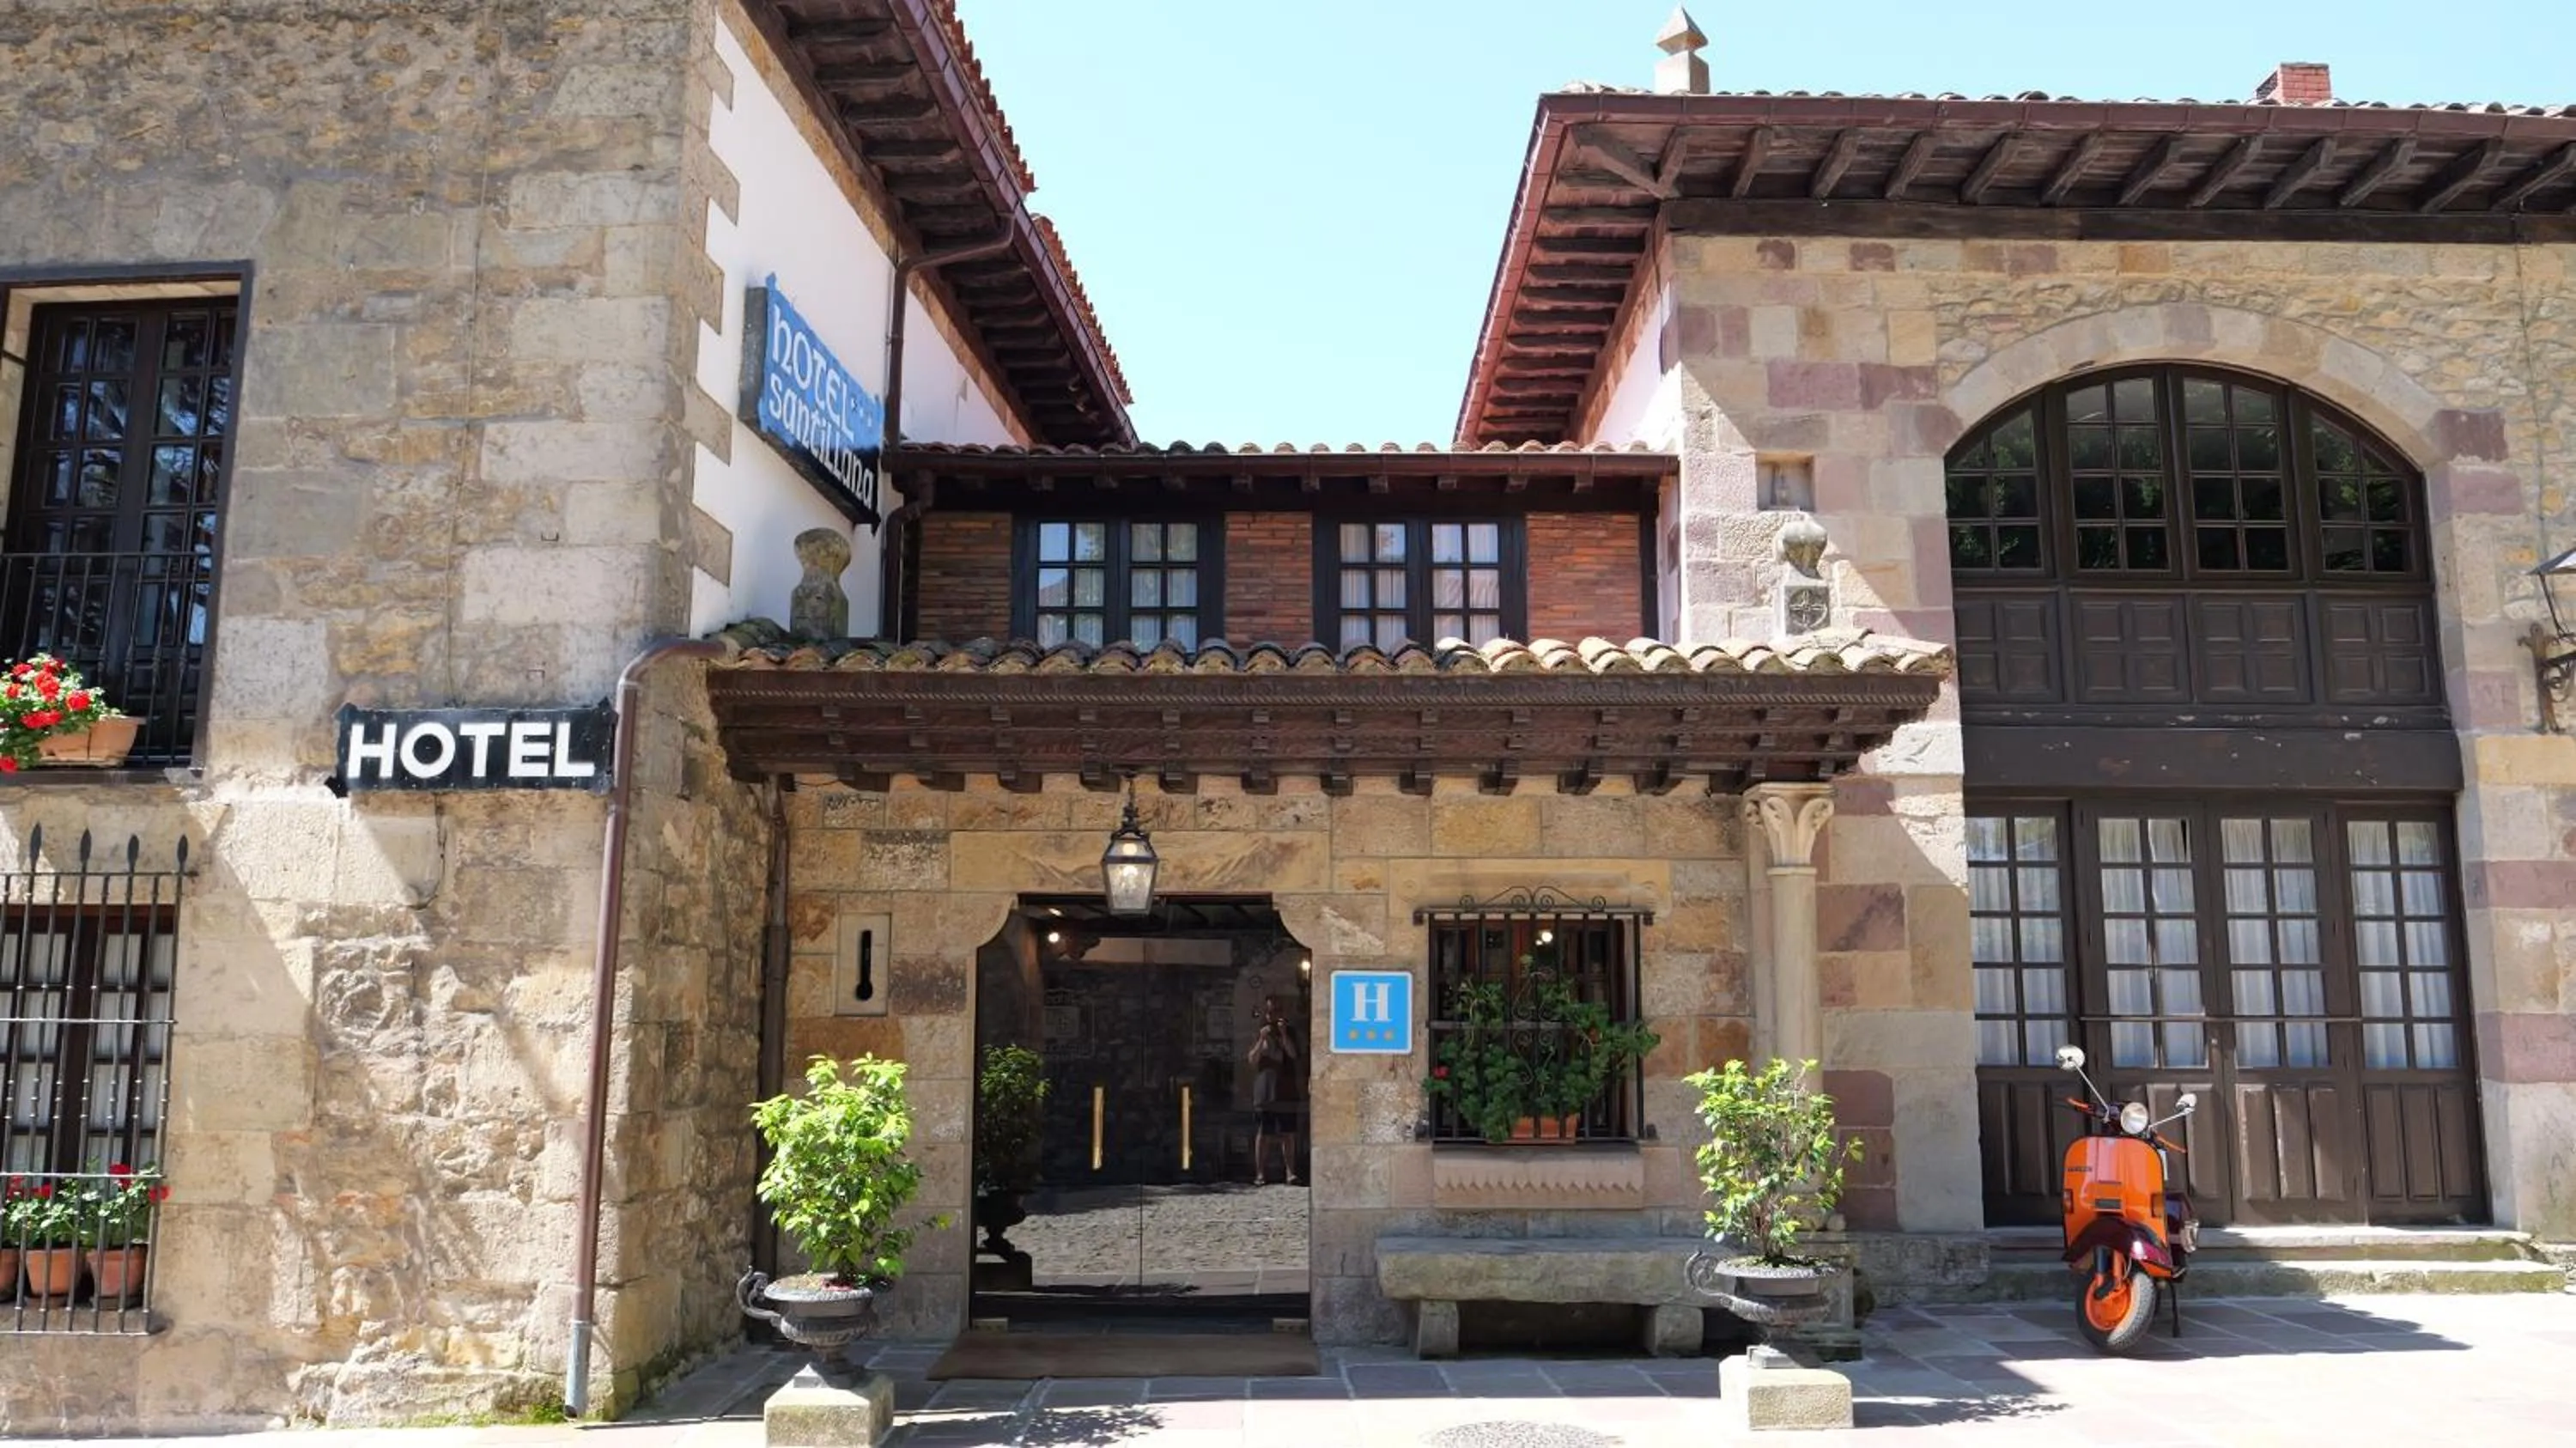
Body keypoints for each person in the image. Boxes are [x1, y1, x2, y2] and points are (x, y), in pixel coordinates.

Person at [1248, 994, 1301, 1185]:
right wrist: (1261, 1041)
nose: (1273, 1015)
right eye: (1270, 1012)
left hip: (1285, 1089)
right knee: (1264, 1133)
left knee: (1288, 1133)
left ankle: (1290, 1172)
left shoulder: (1290, 1032)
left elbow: (1293, 1054)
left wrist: (1284, 1034)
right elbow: (1252, 1060)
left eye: (1277, 1011)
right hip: (1265, 1090)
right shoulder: (1260, 1032)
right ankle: (1260, 1173)